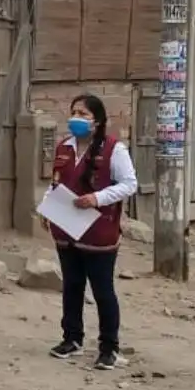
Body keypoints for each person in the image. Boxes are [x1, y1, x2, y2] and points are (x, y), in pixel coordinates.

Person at [47, 93, 138, 370]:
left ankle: (109, 348)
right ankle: (72, 338)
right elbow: (56, 183)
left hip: (98, 230)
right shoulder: (64, 147)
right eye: (74, 112)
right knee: (71, 285)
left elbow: (129, 184)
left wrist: (97, 198)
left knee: (102, 290)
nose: (76, 118)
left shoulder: (114, 150)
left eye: (83, 114)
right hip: (66, 227)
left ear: (96, 121)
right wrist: (47, 207)